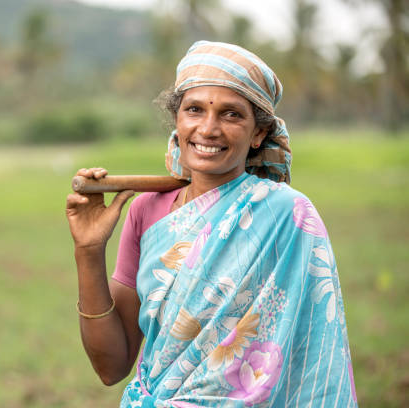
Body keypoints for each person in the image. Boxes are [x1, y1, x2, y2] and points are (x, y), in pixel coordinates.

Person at [66, 41, 357, 407]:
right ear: (177, 120)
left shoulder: (287, 214)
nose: (208, 128)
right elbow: (111, 367)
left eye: (231, 114)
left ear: (258, 134)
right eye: (194, 109)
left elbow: (312, 349)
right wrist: (88, 250)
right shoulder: (147, 211)